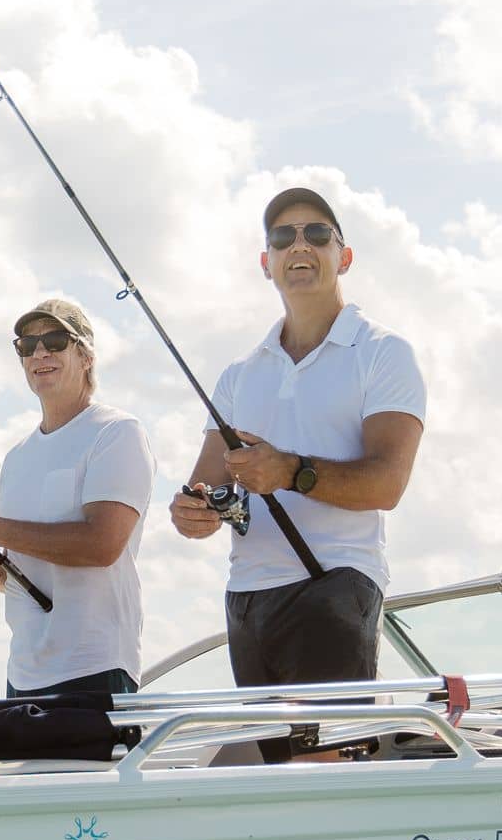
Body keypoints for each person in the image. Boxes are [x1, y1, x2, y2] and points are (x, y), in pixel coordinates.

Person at [169, 186, 425, 687]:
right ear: (266, 263)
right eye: (283, 237)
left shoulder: (384, 352)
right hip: (246, 597)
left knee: (321, 764)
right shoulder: (238, 374)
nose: (299, 246)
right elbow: (203, 488)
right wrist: (192, 513)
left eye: (318, 234)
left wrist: (288, 470)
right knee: (276, 766)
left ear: (343, 256)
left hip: (335, 585)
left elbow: (387, 484)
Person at [0, 296, 156, 699]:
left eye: (55, 340)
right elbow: (24, 578)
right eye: (27, 344)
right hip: (23, 676)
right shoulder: (16, 457)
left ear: (85, 355)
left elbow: (102, 545)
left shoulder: (117, 432)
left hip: (95, 667)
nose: (39, 352)